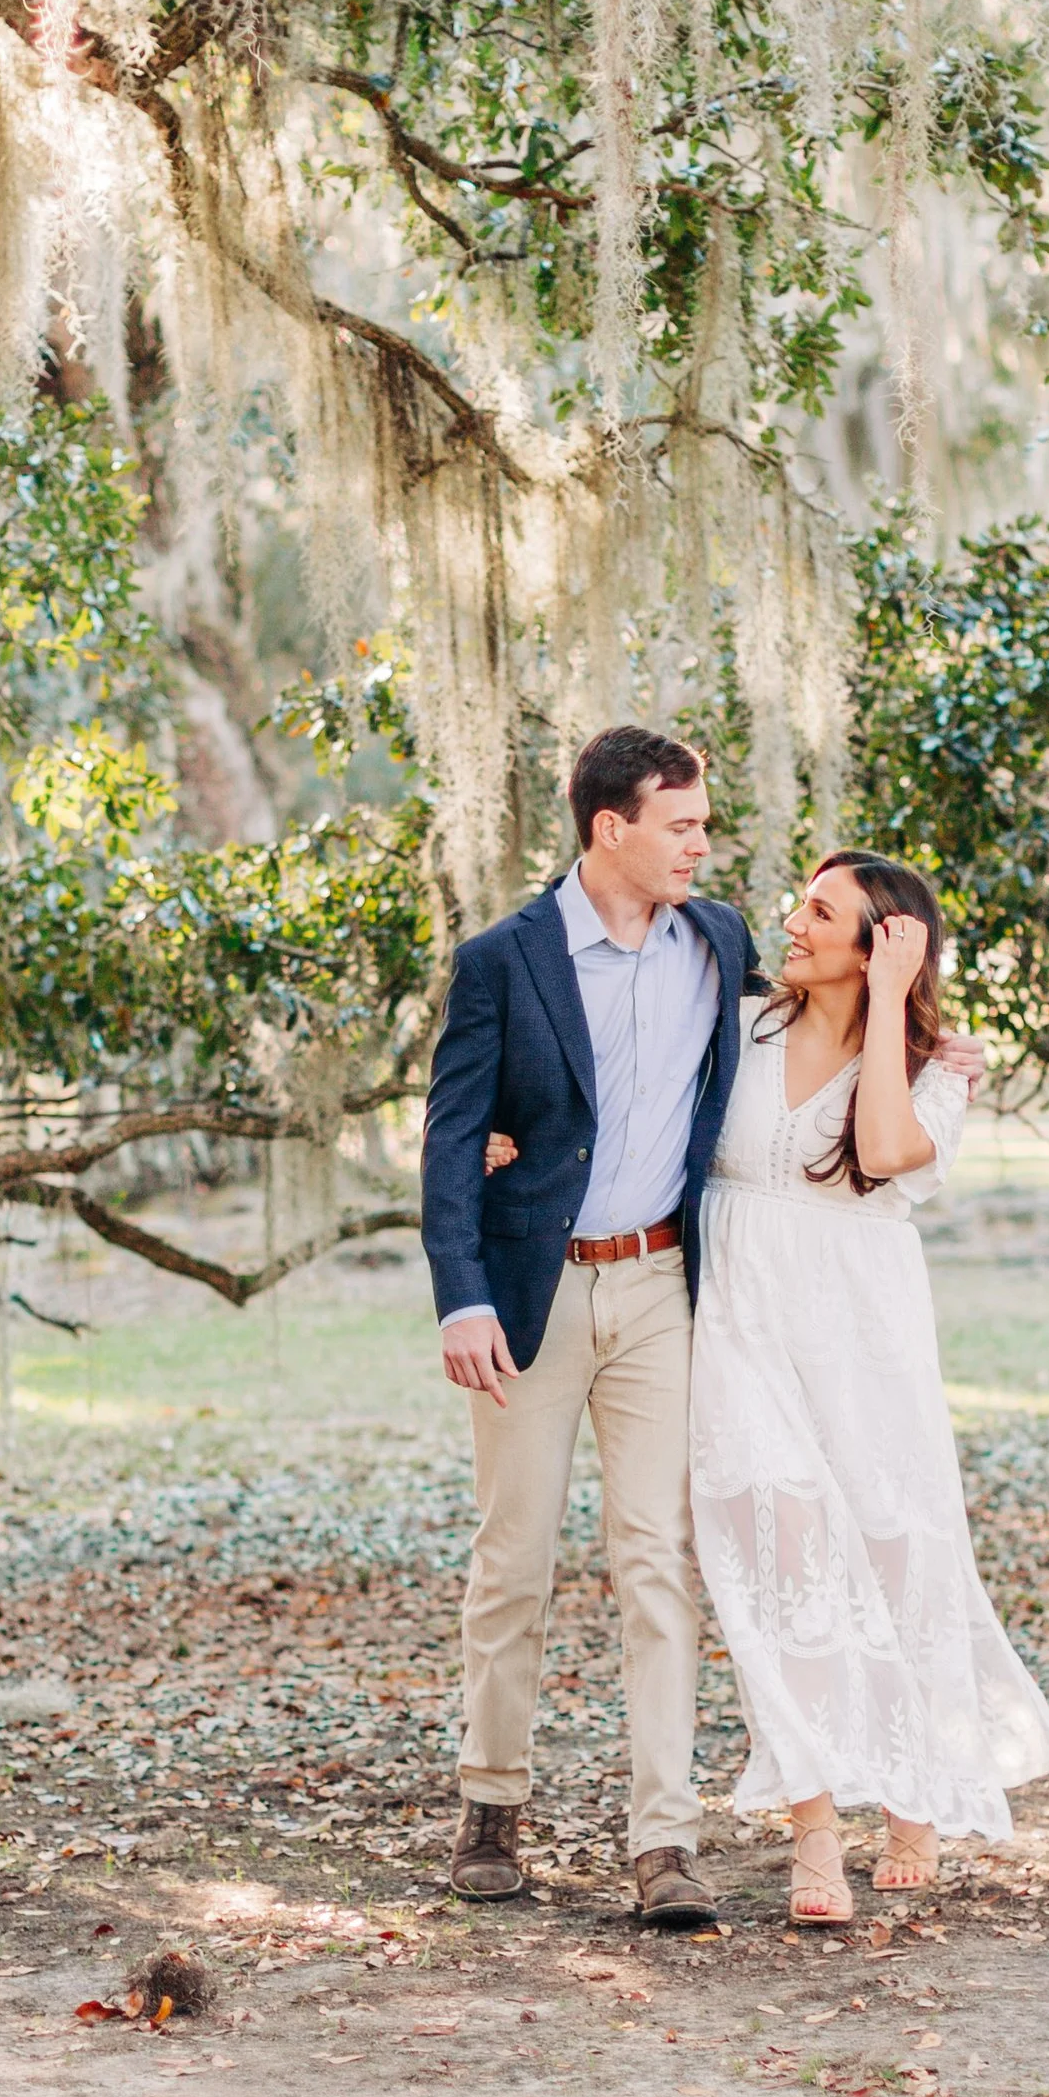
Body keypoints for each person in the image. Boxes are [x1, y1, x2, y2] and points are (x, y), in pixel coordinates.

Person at [687, 851, 1049, 1924]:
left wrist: (885, 1011)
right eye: (802, 904)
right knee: (772, 1563)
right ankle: (812, 1830)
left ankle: (912, 1796)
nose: (796, 921)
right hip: (737, 1317)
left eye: (824, 913)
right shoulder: (737, 1023)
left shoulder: (936, 1068)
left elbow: (877, 1147)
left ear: (884, 945)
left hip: (861, 1331)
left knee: (891, 1550)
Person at [418, 726, 750, 1930]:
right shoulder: (504, 961)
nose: (701, 844)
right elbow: (455, 1134)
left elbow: (788, 1053)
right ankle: (490, 1805)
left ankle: (664, 1841)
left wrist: (923, 1051)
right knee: (513, 1560)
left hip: (662, 1289)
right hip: (532, 1295)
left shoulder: (718, 943)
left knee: (658, 1560)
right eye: (681, 825)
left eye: (702, 824)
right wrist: (460, 1290)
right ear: (609, 828)